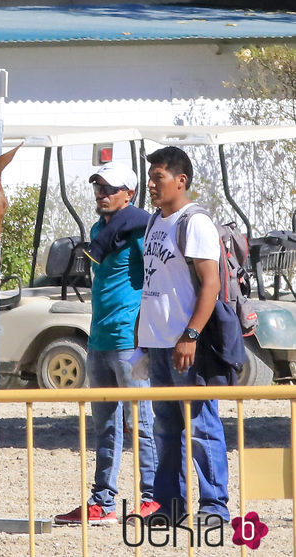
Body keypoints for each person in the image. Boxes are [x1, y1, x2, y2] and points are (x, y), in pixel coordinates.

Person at [54, 162, 158, 525]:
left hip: (130, 342)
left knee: (141, 423)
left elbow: (155, 282)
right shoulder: (101, 230)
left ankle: (152, 499)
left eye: (110, 188)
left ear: (129, 193)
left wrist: (147, 336)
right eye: (98, 186)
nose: (102, 193)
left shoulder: (140, 232)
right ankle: (103, 502)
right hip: (98, 340)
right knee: (106, 427)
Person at [135, 146, 231, 526]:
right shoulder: (153, 222)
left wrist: (190, 334)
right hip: (157, 343)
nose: (152, 186)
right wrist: (143, 336)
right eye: (151, 178)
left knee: (202, 426)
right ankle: (170, 506)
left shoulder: (195, 222)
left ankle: (214, 508)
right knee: (165, 429)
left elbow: (211, 284)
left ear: (181, 180)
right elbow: (151, 281)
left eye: (158, 178)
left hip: (186, 345)